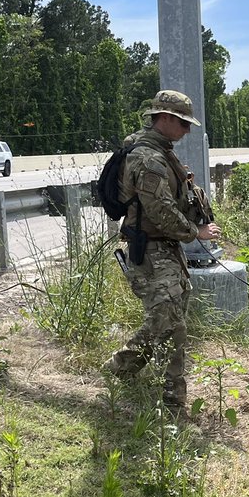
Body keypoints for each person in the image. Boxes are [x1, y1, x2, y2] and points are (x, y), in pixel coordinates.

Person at [102, 90, 221, 409]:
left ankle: (120, 368)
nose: (187, 130)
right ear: (165, 118)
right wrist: (196, 232)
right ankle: (173, 398)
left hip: (164, 249)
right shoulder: (149, 158)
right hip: (150, 250)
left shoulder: (159, 152)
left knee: (165, 318)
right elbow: (160, 211)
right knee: (171, 324)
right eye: (183, 123)